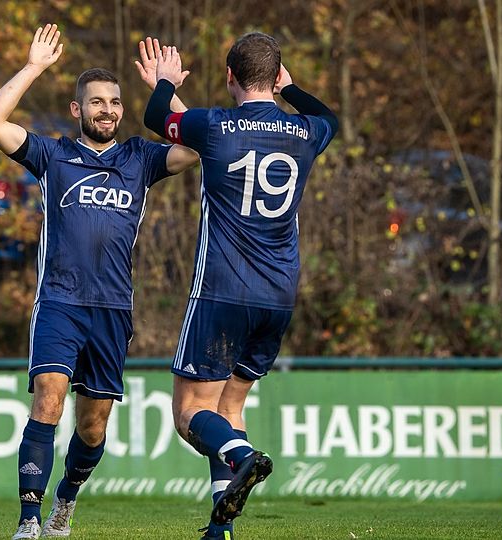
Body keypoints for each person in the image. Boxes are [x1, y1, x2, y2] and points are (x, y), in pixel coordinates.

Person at [0, 24, 199, 540]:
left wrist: (164, 90)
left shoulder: (140, 159)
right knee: (48, 401)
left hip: (112, 310)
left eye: (115, 103)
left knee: (92, 427)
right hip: (59, 302)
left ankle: (66, 500)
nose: (107, 110)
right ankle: (28, 521)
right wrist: (33, 67)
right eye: (97, 102)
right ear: (77, 109)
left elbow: (197, 148)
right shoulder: (52, 156)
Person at [143, 33, 338, 540]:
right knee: (229, 408)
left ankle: (243, 455)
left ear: (229, 76)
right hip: (279, 296)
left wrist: (164, 82)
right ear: (275, 78)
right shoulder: (305, 131)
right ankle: (221, 530)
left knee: (190, 413)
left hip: (223, 290)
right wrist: (291, 91)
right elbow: (330, 118)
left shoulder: (215, 126)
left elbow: (156, 116)